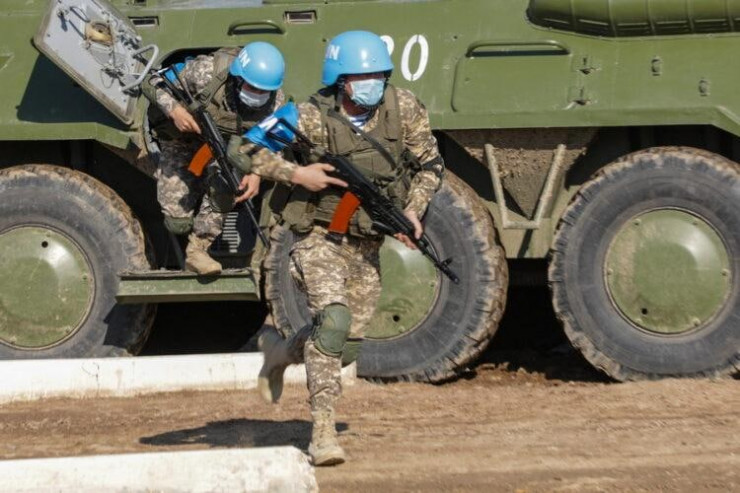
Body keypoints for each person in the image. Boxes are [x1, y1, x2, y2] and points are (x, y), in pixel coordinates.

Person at [247, 31, 445, 466]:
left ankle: (281, 353)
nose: (373, 83)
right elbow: (245, 150)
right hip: (318, 235)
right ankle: (322, 432)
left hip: (366, 242)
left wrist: (412, 211)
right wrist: (297, 175)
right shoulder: (308, 116)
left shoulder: (403, 108)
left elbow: (430, 165)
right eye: (362, 76)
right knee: (333, 321)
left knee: (345, 347)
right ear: (341, 80)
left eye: (379, 75)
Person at [147, 41, 286, 274]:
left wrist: (256, 172)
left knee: (227, 182)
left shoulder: (275, 102)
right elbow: (152, 82)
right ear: (238, 78)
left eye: (264, 91)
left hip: (226, 148)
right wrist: (174, 110)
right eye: (252, 87)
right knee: (177, 223)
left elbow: (273, 143)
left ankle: (198, 250)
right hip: (186, 139)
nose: (258, 94)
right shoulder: (206, 72)